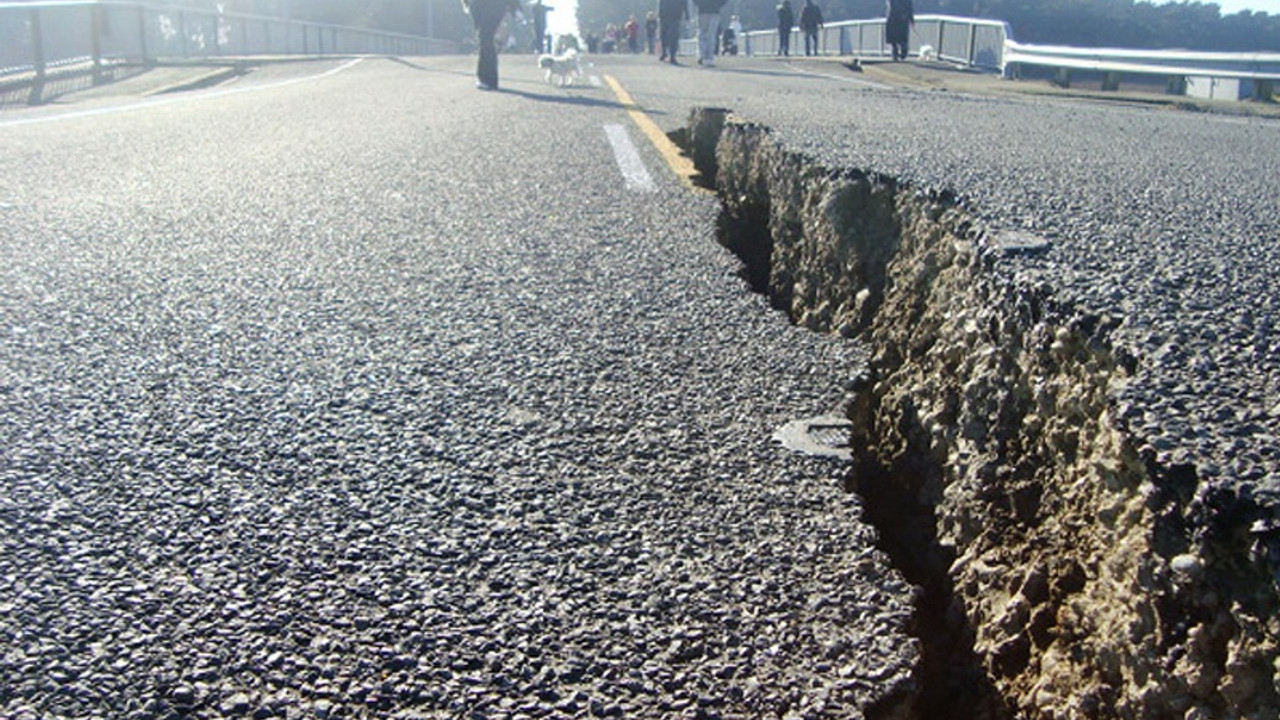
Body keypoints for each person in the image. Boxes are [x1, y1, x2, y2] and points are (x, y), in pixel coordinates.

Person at [463, 0, 518, 90]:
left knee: (485, 36)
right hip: (479, 6)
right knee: (484, 37)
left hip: (494, 5)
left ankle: (486, 79)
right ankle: (490, 79)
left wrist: (514, 6)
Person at [693, 0, 728, 66]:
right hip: (715, 11)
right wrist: (718, 5)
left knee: (702, 34)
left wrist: (699, 4)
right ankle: (709, 58)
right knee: (711, 35)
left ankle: (702, 54)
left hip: (702, 11)